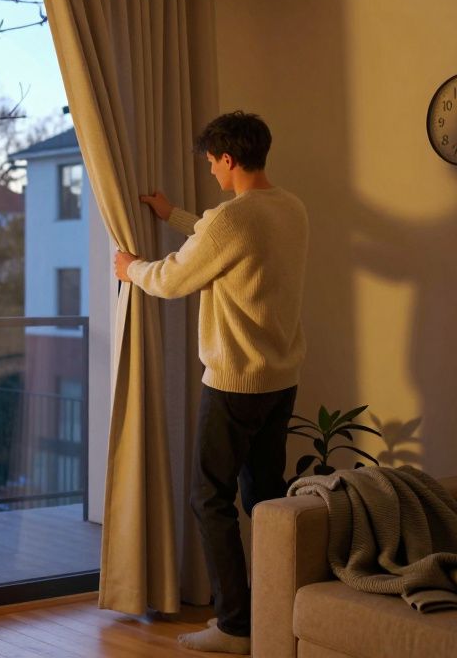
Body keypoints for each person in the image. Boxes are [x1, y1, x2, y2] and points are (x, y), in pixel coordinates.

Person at [114, 111, 308, 655]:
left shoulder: (231, 219)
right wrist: (172, 215)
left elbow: (175, 277)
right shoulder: (289, 207)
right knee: (265, 498)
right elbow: (221, 239)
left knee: (209, 498)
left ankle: (235, 626)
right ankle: (274, 613)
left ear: (228, 158)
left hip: (236, 381)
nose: (211, 171)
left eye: (211, 163)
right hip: (280, 378)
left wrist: (130, 269)